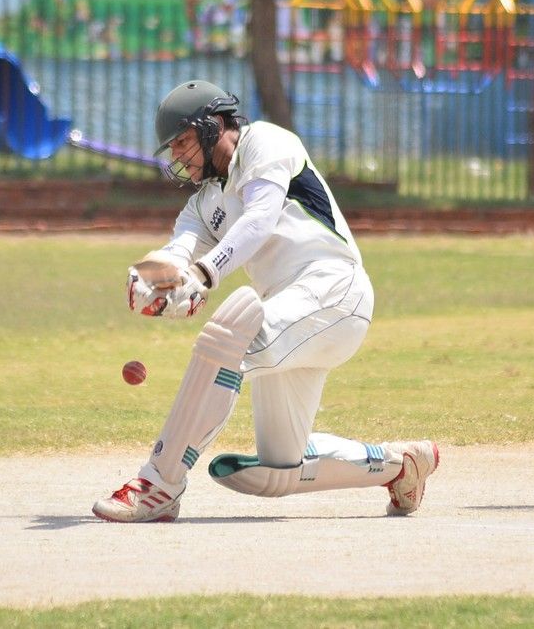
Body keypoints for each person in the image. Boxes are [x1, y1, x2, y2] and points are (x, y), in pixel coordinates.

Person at [92, 79, 439, 523]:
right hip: (289, 318)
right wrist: (151, 274)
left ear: (213, 126)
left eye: (182, 141)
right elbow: (179, 250)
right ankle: (402, 466)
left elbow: (259, 218)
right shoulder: (202, 204)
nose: (177, 155)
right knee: (280, 467)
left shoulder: (266, 142)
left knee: (228, 341)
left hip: (333, 290)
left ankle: (160, 483)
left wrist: (204, 274)